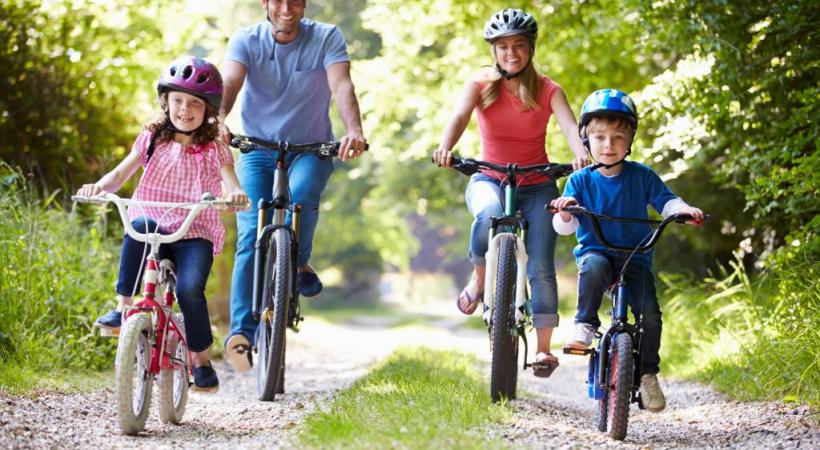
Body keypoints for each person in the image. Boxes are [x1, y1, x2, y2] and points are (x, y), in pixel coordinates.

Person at [76, 56, 249, 392]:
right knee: (137, 224)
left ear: (208, 109)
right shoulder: (153, 137)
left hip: (193, 232)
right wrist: (98, 187)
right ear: (166, 102)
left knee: (188, 290)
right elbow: (120, 174)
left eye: (195, 103)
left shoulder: (215, 147)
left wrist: (237, 195)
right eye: (178, 100)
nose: (185, 109)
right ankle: (123, 307)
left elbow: (232, 183)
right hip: (153, 225)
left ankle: (200, 361)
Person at [432, 8, 589, 378]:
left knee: (540, 266)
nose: (511, 53)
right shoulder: (481, 85)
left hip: (537, 186)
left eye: (519, 45)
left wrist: (580, 151)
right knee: (486, 215)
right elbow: (458, 117)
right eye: (503, 47)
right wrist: (445, 147)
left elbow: (569, 126)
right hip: (489, 178)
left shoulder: (549, 89)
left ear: (530, 48)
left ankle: (544, 350)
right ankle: (480, 276)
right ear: (494, 51)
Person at [220, 0, 367, 372]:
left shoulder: (326, 37)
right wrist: (218, 119)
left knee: (301, 198)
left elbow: (341, 85)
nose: (287, 8)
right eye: (279, 0)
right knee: (252, 226)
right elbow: (231, 83)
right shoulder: (245, 40)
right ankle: (242, 333)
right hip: (256, 148)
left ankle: (297, 261)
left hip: (310, 149)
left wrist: (354, 131)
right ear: (266, 4)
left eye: (296, 0)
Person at [550, 88, 704, 412]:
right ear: (586, 139)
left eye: (618, 137)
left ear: (630, 139)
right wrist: (566, 210)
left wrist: (682, 209)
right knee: (592, 268)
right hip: (598, 251)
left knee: (650, 315)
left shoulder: (642, 176)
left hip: (636, 255)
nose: (609, 145)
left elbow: (666, 201)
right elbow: (565, 227)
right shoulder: (579, 180)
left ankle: (648, 374)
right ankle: (585, 325)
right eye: (601, 137)